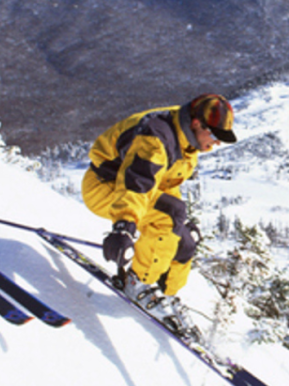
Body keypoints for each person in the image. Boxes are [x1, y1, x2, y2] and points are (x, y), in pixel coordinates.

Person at [83, 93, 236, 335]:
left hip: (133, 190)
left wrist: (179, 224)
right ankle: (139, 283)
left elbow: (164, 184)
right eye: (216, 136)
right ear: (197, 124)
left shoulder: (187, 140)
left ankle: (166, 296)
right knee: (170, 217)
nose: (217, 143)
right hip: (107, 186)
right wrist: (124, 225)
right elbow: (137, 182)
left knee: (184, 242)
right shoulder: (156, 136)